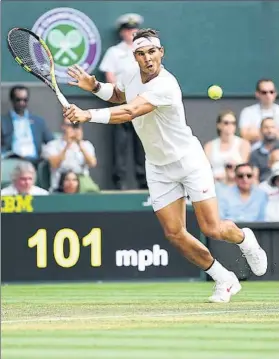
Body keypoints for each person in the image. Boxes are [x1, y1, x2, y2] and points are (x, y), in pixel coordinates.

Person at [64, 28, 267, 303]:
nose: (147, 58)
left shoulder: (166, 85)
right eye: (140, 53)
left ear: (161, 53)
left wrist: (87, 114)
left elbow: (130, 111)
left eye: (152, 52)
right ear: (134, 56)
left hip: (189, 161)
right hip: (158, 166)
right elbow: (120, 95)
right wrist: (96, 87)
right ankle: (224, 279)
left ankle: (245, 239)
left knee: (212, 229)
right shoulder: (132, 75)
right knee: (174, 233)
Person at [98, 13, 147, 189]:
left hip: (141, 102)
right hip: (121, 101)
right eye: (128, 30)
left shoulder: (144, 51)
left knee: (142, 142)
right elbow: (109, 75)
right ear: (122, 33)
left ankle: (144, 180)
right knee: (120, 143)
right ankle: (120, 181)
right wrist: (120, 96)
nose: (132, 33)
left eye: (134, 29)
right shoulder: (114, 52)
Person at [1, 85, 54, 165]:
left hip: (35, 161)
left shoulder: (38, 121)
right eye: (18, 100)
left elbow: (51, 141)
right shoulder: (3, 121)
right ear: (12, 100)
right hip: (12, 161)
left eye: (25, 100)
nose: (22, 103)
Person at [42, 118, 97, 191]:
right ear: (63, 126)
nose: (72, 128)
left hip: (81, 186)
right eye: (69, 125)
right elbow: (54, 164)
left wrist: (79, 143)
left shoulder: (86, 145)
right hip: (59, 186)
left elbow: (92, 163)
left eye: (75, 125)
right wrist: (67, 145)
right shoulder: (53, 145)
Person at [204, 110, 250, 182]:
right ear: (219, 125)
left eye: (233, 123)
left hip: (236, 185)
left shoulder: (244, 144)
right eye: (226, 123)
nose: (230, 126)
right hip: (213, 184)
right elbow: (205, 170)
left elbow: (244, 169)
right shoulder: (209, 146)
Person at [239, 79, 279, 148]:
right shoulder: (248, 112)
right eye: (264, 92)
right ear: (257, 94)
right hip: (254, 153)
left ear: (275, 94)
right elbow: (244, 135)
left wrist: (257, 132)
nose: (268, 95)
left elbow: (250, 135)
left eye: (271, 92)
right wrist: (273, 132)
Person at [249, 118, 279, 182]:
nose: (270, 130)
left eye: (272, 127)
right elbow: (254, 177)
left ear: (277, 129)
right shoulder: (255, 153)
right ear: (260, 130)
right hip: (263, 188)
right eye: (266, 127)